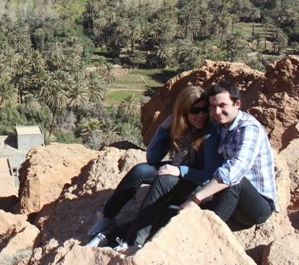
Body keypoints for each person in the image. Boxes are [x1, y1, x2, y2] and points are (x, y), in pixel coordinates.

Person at [87, 85, 222, 249]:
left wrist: (179, 171)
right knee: (140, 171)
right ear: (184, 111)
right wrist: (164, 128)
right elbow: (152, 157)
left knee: (163, 187)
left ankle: (130, 240)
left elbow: (210, 175)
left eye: (205, 110)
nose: (201, 115)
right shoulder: (182, 127)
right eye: (195, 110)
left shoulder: (210, 134)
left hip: (194, 181)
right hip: (179, 170)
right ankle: (108, 217)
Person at [180, 81, 277, 228]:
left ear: (237, 104)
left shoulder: (249, 129)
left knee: (236, 182)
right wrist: (167, 124)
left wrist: (196, 198)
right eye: (212, 106)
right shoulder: (219, 126)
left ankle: (208, 233)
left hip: (257, 206)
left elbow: (235, 170)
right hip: (227, 198)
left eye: (222, 105)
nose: (217, 111)